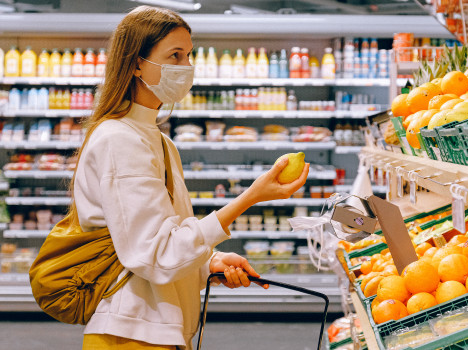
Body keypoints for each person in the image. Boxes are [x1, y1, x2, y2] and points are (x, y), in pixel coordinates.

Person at [71, 6, 309, 350]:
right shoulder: (119, 139)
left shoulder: (159, 141)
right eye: (175, 55)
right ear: (137, 63)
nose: (186, 67)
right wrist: (249, 198)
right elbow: (156, 254)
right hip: (130, 334)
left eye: (189, 55)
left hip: (162, 330)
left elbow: (167, 236)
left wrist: (207, 262)